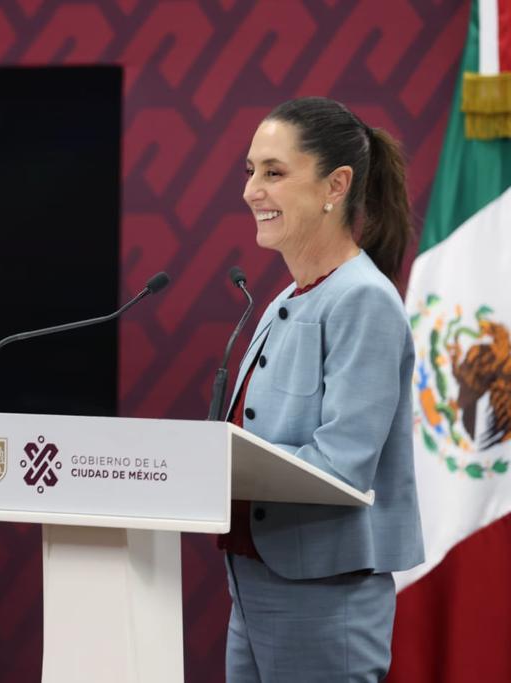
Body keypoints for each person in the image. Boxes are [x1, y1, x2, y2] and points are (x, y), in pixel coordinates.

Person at [220, 97, 425, 682]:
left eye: (273, 172)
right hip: (253, 581)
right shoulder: (284, 299)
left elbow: (342, 463)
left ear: (336, 185)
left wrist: (218, 459)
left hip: (321, 591)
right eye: (250, 171)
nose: (251, 190)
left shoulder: (363, 299)